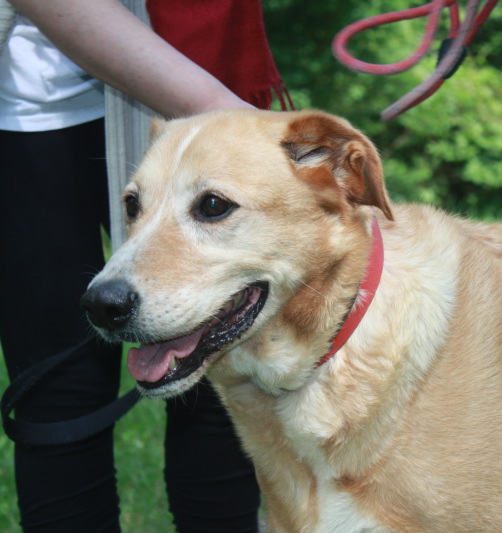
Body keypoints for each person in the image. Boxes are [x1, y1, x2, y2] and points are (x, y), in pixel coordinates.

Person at [0, 0, 289, 531]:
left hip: (196, 64)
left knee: (222, 375)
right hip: (26, 105)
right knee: (60, 393)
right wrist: (240, 123)